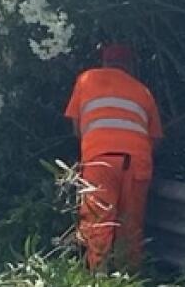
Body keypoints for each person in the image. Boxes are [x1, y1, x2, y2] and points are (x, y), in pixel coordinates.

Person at [64, 42, 165, 272]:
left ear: (104, 62)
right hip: (137, 161)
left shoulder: (86, 79)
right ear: (129, 65)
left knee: (98, 224)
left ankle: (99, 283)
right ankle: (127, 285)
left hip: (100, 159)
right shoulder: (143, 91)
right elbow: (156, 139)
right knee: (130, 228)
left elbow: (76, 129)